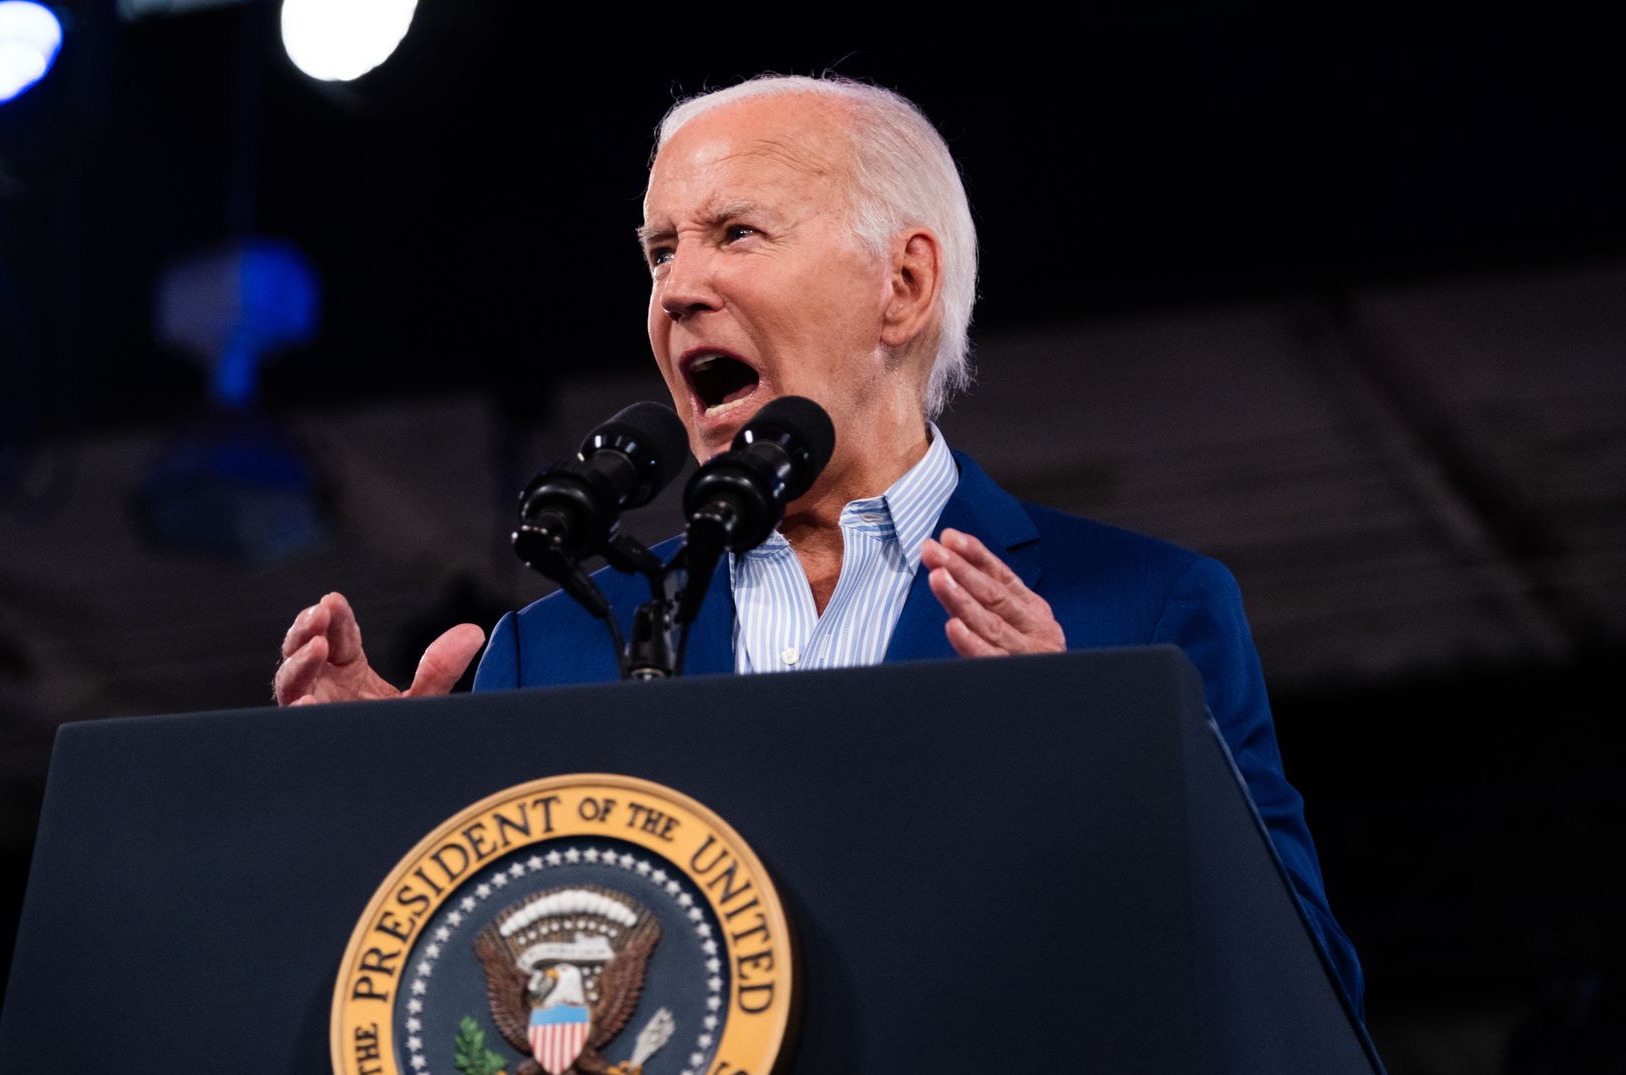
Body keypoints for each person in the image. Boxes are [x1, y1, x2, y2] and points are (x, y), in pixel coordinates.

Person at [274, 74, 1364, 1012]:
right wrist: (398, 808)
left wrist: (1106, 768)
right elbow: (496, 1001)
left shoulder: (1140, 613)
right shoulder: (547, 653)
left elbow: (1303, 986)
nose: (677, 289)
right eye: (660, 250)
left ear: (904, 286)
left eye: (736, 233)